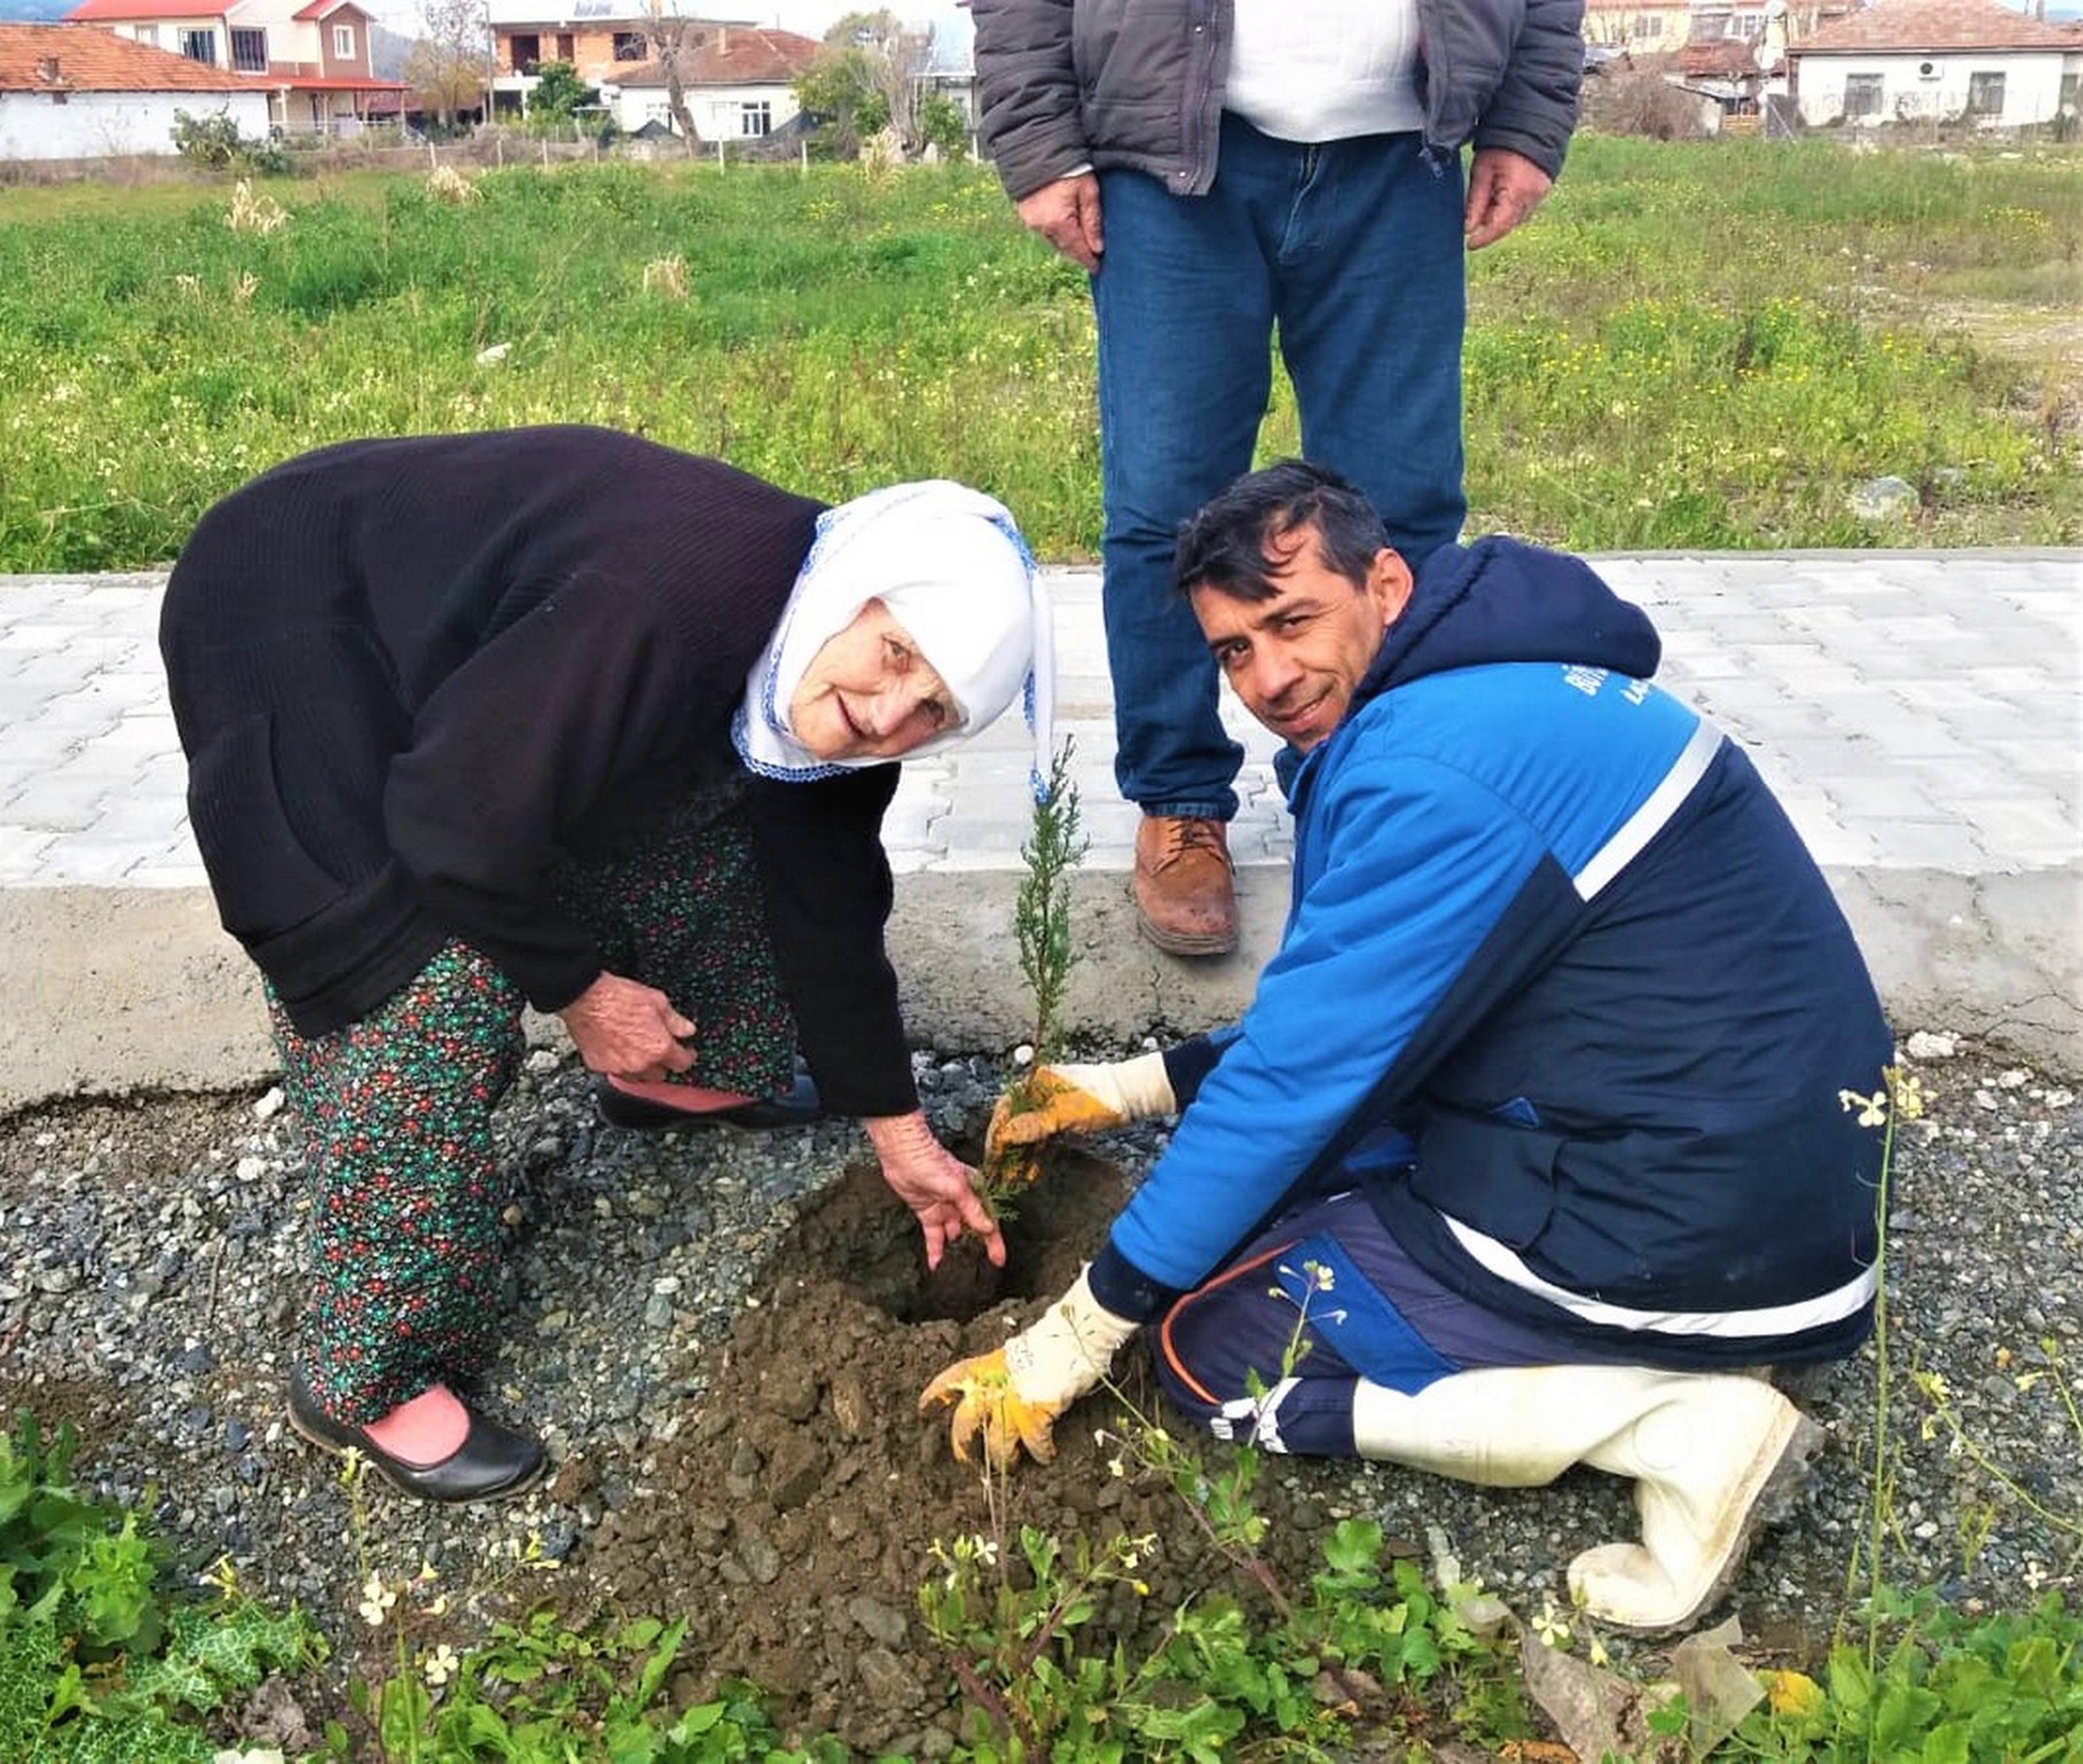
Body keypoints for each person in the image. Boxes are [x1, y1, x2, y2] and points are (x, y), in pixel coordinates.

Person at [922, 460, 1891, 1635]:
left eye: (1291, 620)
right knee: (1301, 1174)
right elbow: (1360, 1016)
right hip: (1733, 1151)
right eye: (1232, 649)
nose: (1267, 676)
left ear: (1383, 580)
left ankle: (1676, 1427)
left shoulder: (1434, 771)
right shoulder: (1493, 690)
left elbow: (1299, 1077)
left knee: (1210, 1346)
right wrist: (1125, 1087)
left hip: (1687, 1226)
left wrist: (1077, 1331)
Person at [161, 425, 1053, 1504]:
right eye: (895, 657)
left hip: (497, 680)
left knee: (739, 825)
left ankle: (665, 1073)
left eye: (931, 715)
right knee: (422, 987)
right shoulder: (665, 607)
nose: (883, 716)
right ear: (858, 593)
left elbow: (826, 900)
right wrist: (580, 990)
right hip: (291, 610)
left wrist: (895, 1128)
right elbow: (450, 818)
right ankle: (359, 1374)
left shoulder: (818, 664)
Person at [968, 0, 1585, 957]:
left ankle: (1388, 789)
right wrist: (1038, 136)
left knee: (1402, 508)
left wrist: (1525, 121)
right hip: (1174, 163)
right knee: (1165, 506)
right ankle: (1178, 802)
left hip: (1399, 159)